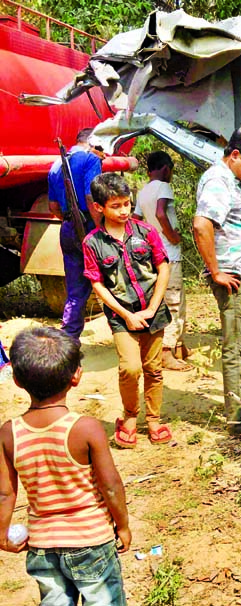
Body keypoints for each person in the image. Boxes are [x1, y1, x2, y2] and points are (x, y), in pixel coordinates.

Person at [0, 327, 130, 605]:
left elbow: (5, 493)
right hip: (91, 540)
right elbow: (110, 485)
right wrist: (123, 525)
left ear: (18, 381)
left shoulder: (9, 433)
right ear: (77, 376)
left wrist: (2, 535)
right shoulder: (87, 429)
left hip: (42, 545)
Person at [193, 125, 241, 438]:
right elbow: (201, 226)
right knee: (240, 348)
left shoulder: (234, 180)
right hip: (234, 277)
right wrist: (216, 271)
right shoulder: (218, 179)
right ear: (235, 155)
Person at [82, 173, 173, 448]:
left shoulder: (146, 232)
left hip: (153, 310)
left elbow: (163, 267)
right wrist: (126, 315)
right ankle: (130, 416)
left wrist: (154, 306)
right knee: (130, 368)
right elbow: (97, 284)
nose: (124, 210)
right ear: (99, 207)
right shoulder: (92, 243)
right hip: (122, 316)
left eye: (126, 203)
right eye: (116, 206)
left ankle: (154, 420)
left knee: (154, 368)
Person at [133, 151, 192, 371]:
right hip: (170, 253)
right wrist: (172, 236)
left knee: (169, 298)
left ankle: (178, 345)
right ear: (166, 168)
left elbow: (136, 220)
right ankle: (167, 351)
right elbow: (160, 213)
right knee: (174, 301)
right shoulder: (163, 187)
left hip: (154, 253)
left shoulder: (143, 191)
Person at [47, 128, 105, 344]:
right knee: (111, 280)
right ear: (93, 143)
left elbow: (53, 206)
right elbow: (91, 197)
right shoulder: (91, 160)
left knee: (75, 290)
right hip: (88, 226)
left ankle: (69, 341)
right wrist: (101, 230)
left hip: (68, 227)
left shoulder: (55, 165)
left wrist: (70, 218)